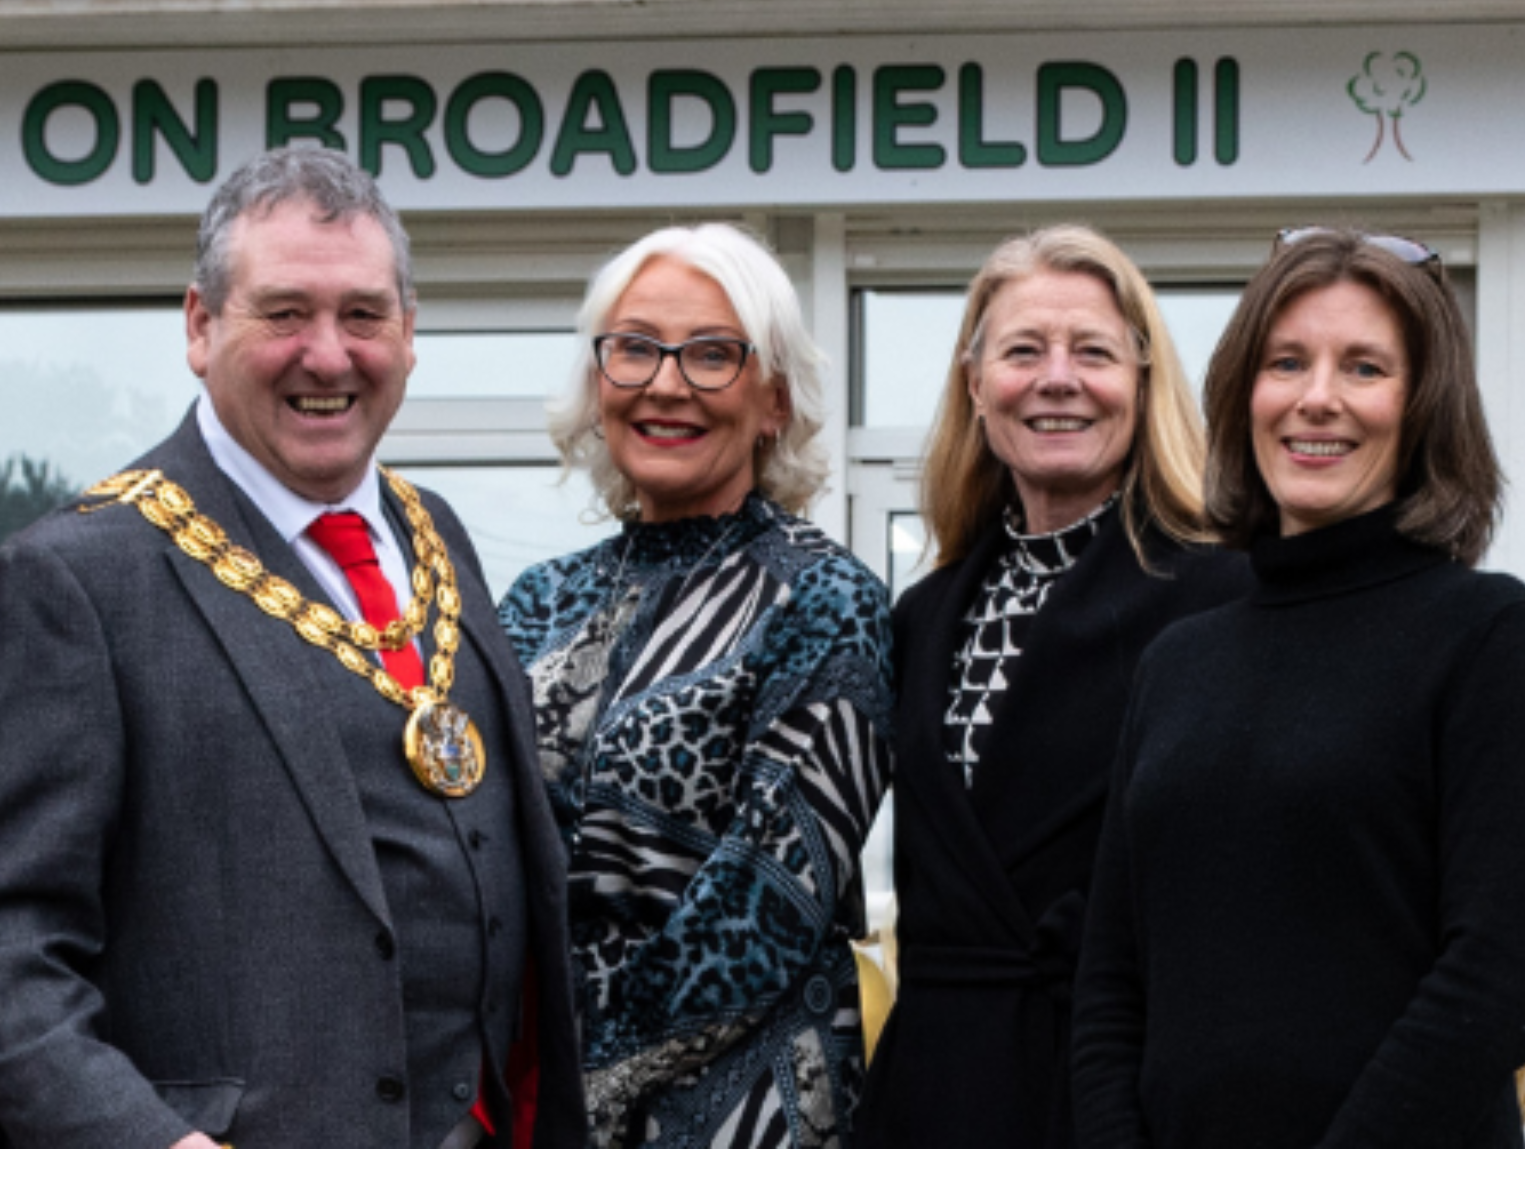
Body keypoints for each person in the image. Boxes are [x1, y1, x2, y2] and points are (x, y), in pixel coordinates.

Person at [0, 147, 585, 1149]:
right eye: (284, 314)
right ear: (199, 326)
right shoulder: (78, 578)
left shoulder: (437, 531)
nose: (328, 355)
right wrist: (157, 1157)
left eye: (362, 314)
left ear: (408, 333)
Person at [1072, 227, 1525, 1147]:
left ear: (1424, 406)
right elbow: (1111, 978)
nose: (1316, 399)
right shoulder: (1177, 661)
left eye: (1365, 368)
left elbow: (1495, 987)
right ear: (1242, 393)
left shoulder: (1487, 633)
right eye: (1287, 362)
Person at [850, 226, 1249, 1148]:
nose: (1057, 378)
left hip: (1119, 1093)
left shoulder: (1224, 598)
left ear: (1144, 384)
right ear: (976, 384)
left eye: (1094, 352)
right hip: (933, 1093)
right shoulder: (923, 612)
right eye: (1023, 351)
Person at [498, 223, 893, 1148]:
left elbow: (762, 911)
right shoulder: (535, 601)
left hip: (742, 1120)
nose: (666, 383)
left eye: (712, 355)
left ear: (774, 402)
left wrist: (570, 1086)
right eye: (635, 348)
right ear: (600, 385)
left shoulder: (826, 599)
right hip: (534, 1104)